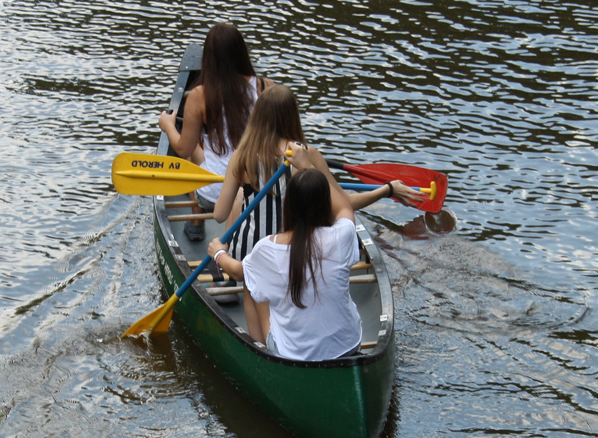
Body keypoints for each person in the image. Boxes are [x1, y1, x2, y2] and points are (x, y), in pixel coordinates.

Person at [211, 84, 423, 341]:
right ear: (292, 116)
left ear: (258, 117)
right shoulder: (307, 156)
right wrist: (386, 190)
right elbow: (344, 204)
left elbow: (220, 215)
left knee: (252, 290)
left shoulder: (240, 156)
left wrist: (241, 194)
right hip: (295, 246)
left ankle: (260, 347)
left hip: (249, 246)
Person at [208, 143, 385, 360]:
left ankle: (262, 354)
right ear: (325, 204)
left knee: (252, 283)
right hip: (347, 345)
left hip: (294, 354)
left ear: (289, 205)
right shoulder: (344, 234)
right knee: (258, 276)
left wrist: (218, 253)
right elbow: (345, 206)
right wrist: (307, 164)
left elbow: (237, 271)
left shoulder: (267, 248)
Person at [158, 23, 273, 241]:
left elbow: (182, 149)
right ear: (242, 53)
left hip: (216, 196)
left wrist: (168, 125)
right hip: (259, 191)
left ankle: (196, 222)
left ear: (208, 60)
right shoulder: (266, 87)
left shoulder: (200, 95)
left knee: (193, 150)